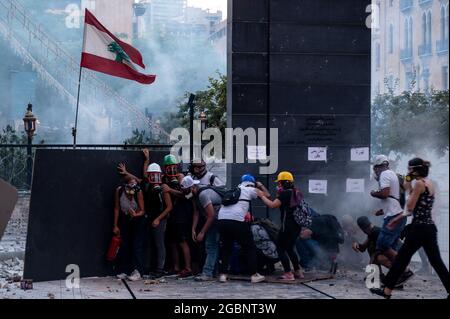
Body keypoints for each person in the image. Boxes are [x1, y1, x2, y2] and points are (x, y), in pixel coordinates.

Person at [370, 158, 449, 299]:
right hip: (430, 228)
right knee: (436, 261)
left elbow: (410, 207)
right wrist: (408, 178)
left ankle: (387, 291)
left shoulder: (419, 184)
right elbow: (409, 190)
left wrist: (396, 219)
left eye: (409, 169)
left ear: (415, 170)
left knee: (400, 260)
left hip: (418, 229)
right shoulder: (428, 183)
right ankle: (387, 291)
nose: (407, 171)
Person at [216, 174, 270, 283]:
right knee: (249, 247)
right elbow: (267, 195)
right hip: (237, 221)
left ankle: (223, 275)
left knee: (226, 247)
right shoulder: (251, 189)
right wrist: (261, 185)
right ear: (252, 183)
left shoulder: (235, 189)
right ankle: (254, 275)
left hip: (222, 220)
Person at [259, 171, 308, 281]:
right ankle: (298, 271)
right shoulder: (296, 192)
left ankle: (288, 273)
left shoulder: (285, 194)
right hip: (297, 227)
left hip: (288, 226)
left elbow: (272, 205)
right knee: (290, 248)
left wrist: (261, 196)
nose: (278, 185)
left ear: (284, 183)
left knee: (280, 248)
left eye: (279, 183)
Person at [370, 155, 407, 266]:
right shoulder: (392, 173)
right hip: (397, 214)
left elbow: (385, 194)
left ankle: (404, 270)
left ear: (377, 167)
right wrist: (382, 211)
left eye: (375, 168)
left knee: (382, 244)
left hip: (394, 216)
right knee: (392, 247)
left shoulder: (384, 174)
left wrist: (373, 193)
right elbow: (393, 197)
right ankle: (396, 278)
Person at [113, 176, 146, 281]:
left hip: (138, 219)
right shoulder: (119, 191)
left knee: (137, 245)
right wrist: (115, 225)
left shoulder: (138, 192)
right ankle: (124, 270)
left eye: (134, 184)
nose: (133, 187)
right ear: (125, 185)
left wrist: (136, 215)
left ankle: (138, 271)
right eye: (131, 184)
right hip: (125, 218)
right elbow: (117, 208)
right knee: (124, 244)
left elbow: (142, 210)